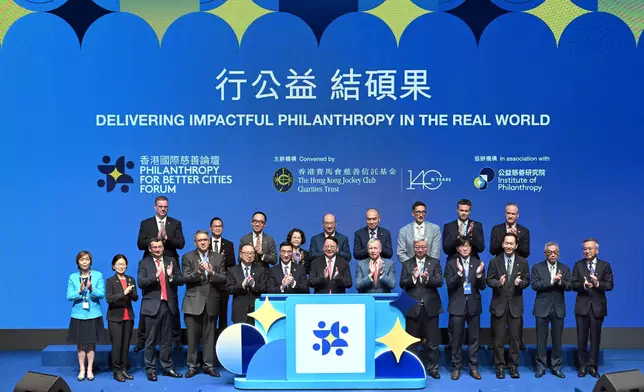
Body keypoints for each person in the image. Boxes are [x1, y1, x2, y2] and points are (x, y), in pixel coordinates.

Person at [135, 195, 185, 352]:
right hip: (151, 266)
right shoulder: (146, 223)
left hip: (170, 264)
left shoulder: (175, 223)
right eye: (160, 206)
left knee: (172, 302)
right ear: (155, 207)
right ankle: (142, 339)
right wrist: (155, 239)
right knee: (149, 302)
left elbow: (181, 244)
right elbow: (140, 244)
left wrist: (167, 238)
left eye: (166, 207)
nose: (163, 209)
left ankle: (176, 339)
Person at [138, 238, 184, 381]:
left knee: (167, 340)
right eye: (154, 247)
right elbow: (140, 282)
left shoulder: (171, 261)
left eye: (160, 246)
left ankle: (167, 367)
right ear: (150, 249)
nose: (158, 249)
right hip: (152, 307)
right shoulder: (144, 263)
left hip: (168, 305)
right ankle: (150, 369)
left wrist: (171, 276)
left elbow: (181, 280)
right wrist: (155, 276)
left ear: (163, 247)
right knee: (150, 340)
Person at [182, 230, 226, 378]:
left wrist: (211, 272)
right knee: (192, 338)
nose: (203, 242)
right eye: (200, 240)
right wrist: (199, 272)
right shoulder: (187, 257)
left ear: (209, 241)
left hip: (212, 302)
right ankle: (192, 366)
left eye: (205, 239)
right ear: (195, 242)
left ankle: (209, 366)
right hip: (193, 303)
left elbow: (224, 278)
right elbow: (185, 279)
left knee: (209, 338)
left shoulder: (218, 257)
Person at [486, 232, 530, 379]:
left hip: (515, 306)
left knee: (515, 339)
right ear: (503, 244)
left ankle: (513, 366)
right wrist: (499, 283)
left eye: (512, 243)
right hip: (499, 305)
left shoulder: (523, 262)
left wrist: (520, 283)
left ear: (516, 245)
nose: (509, 246)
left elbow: (527, 281)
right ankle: (499, 366)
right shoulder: (494, 261)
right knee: (498, 339)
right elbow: (489, 280)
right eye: (507, 243)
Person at [489, 202, 530, 351]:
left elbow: (526, 252)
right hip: (500, 268)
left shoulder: (524, 231)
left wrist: (516, 238)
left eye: (513, 214)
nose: (510, 216)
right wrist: (505, 242)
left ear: (517, 215)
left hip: (517, 270)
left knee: (515, 307)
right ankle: (496, 341)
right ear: (505, 214)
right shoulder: (497, 229)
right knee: (498, 307)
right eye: (508, 213)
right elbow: (492, 249)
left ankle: (518, 341)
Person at [399, 238, 443, 379]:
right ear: (413, 248)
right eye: (417, 247)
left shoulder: (435, 262)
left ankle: (433, 369)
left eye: (423, 247)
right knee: (411, 342)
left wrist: (427, 279)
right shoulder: (407, 264)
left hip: (431, 308)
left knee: (433, 342)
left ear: (427, 247)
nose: (420, 249)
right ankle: (413, 367)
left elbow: (440, 282)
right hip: (413, 308)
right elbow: (402, 283)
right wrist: (413, 278)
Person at [444, 238, 486, 380]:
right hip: (457, 305)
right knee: (456, 338)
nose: (464, 248)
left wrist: (480, 275)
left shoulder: (477, 263)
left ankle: (473, 367)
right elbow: (449, 285)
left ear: (471, 248)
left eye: (467, 246)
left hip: (474, 305)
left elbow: (482, 286)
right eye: (461, 246)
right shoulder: (451, 264)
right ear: (457, 249)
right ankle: (456, 367)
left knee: (474, 338)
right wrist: (460, 274)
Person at [572, 238, 614, 378]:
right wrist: (583, 285)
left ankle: (593, 366)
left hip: (597, 307)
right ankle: (582, 366)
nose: (587, 251)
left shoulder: (605, 266)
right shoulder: (578, 265)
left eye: (589, 248)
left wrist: (597, 284)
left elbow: (609, 285)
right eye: (584, 249)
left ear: (597, 250)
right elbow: (572, 284)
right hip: (582, 307)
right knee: (581, 338)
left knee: (595, 338)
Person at [531, 241, 571, 379]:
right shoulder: (537, 267)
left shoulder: (564, 268)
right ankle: (540, 367)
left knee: (557, 340)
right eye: (550, 252)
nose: (553, 255)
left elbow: (570, 285)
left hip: (558, 308)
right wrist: (551, 282)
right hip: (542, 308)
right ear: (545, 253)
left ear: (558, 253)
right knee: (540, 340)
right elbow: (535, 285)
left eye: (555, 252)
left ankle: (556, 367)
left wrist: (559, 282)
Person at [66, 250, 106, 382]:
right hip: (78, 315)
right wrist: (79, 291)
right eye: (82, 259)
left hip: (93, 314)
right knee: (81, 344)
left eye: (87, 259)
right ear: (78, 262)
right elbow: (69, 296)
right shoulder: (72, 277)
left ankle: (90, 369)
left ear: (90, 261)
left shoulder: (98, 275)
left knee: (91, 343)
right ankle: (82, 369)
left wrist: (91, 289)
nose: (84, 262)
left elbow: (101, 294)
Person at [106, 254, 138, 382]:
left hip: (128, 316)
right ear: (113, 266)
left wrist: (131, 293)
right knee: (117, 344)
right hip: (115, 317)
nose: (121, 266)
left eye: (123, 264)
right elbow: (109, 299)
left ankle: (124, 369)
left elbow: (135, 298)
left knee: (126, 345)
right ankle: (116, 370)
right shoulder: (110, 281)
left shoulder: (131, 279)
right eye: (118, 264)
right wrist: (123, 293)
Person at [227, 244, 268, 324]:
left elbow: (265, 287)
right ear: (240, 254)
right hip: (239, 311)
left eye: (252, 253)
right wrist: (241, 285)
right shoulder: (232, 270)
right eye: (247, 253)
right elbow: (229, 289)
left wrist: (253, 285)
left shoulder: (261, 269)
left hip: (257, 310)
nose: (249, 256)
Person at [209, 217, 235, 342]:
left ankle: (223, 343)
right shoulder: (205, 243)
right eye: (215, 226)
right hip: (208, 286)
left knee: (223, 315)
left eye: (220, 226)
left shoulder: (229, 245)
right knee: (210, 316)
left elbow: (232, 265)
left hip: (223, 286)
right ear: (210, 228)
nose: (218, 228)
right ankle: (210, 343)